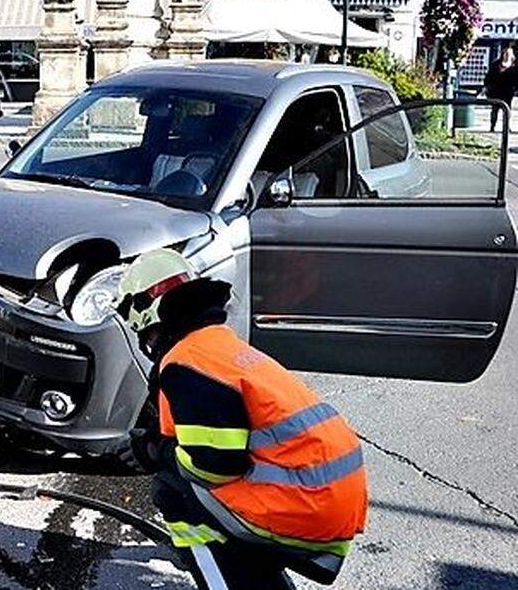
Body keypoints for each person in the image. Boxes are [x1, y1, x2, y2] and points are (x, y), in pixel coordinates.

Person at [113, 249, 368, 590]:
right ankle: (257, 575)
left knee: (171, 490)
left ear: (145, 312)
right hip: (327, 499)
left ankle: (224, 580)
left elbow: (215, 466)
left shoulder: (184, 365)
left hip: (306, 508)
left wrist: (153, 451)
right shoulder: (219, 346)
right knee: (194, 489)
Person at [484, 44, 516, 131]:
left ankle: (507, 127)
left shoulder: (514, 67)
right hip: (496, 90)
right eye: (505, 53)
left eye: (508, 54)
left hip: (508, 92)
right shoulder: (496, 64)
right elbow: (489, 76)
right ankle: (492, 126)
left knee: (507, 110)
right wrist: (486, 86)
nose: (506, 55)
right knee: (495, 109)